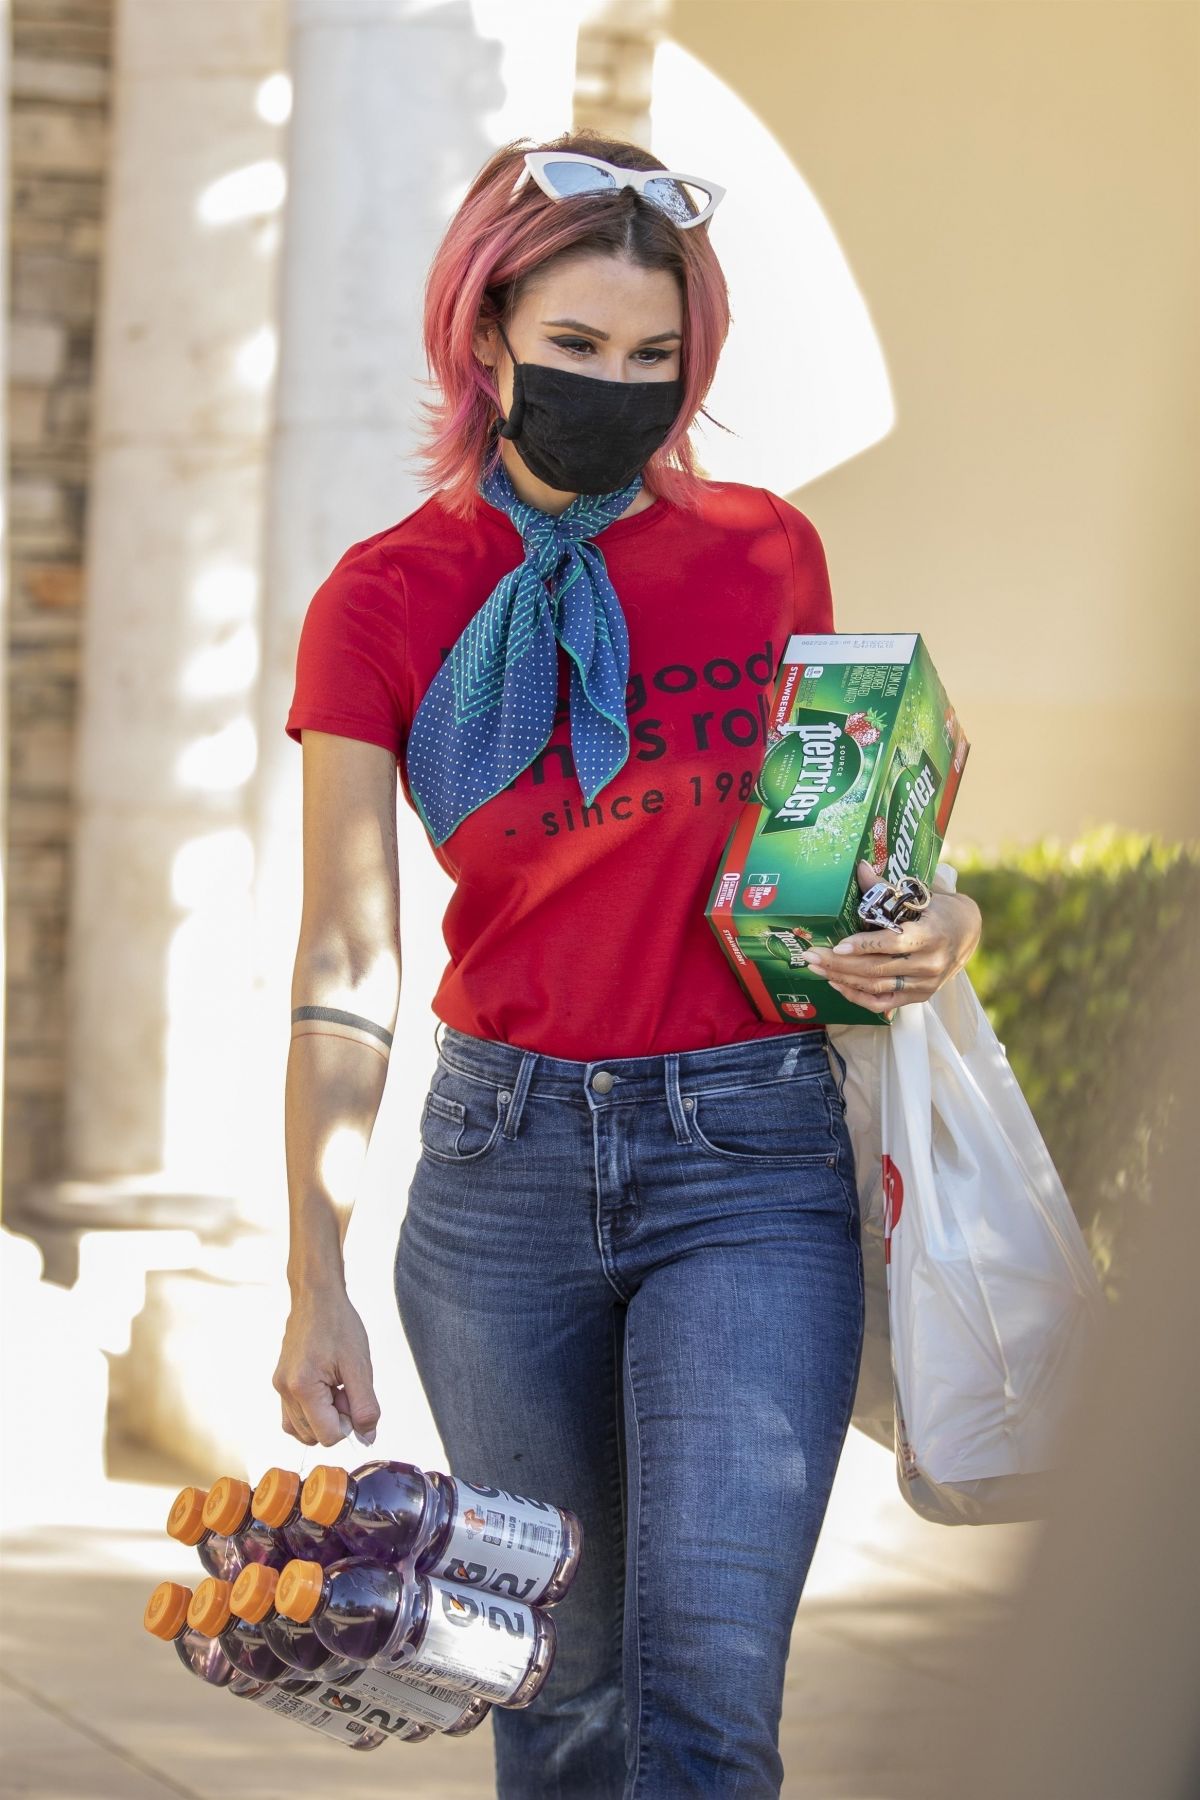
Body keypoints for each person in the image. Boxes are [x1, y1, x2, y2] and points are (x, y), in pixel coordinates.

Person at [274, 128, 983, 1799]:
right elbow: (344, 942)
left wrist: (938, 915)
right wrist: (316, 1265)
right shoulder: (383, 598)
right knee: (558, 1694)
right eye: (577, 348)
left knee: (710, 1705)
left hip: (748, 1161)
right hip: (499, 1173)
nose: (618, 384)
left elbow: (842, 833)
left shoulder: (761, 555)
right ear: (487, 336)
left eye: (657, 357)